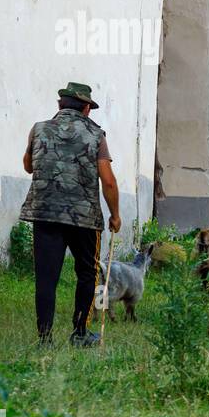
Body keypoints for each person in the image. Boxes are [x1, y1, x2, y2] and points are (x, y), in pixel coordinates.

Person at [19, 82, 122, 347]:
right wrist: (115, 215)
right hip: (84, 218)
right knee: (87, 273)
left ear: (60, 105)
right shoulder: (96, 135)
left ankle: (44, 338)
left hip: (45, 213)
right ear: (87, 108)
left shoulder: (38, 129)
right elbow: (108, 181)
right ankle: (80, 333)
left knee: (46, 276)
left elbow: (29, 166)